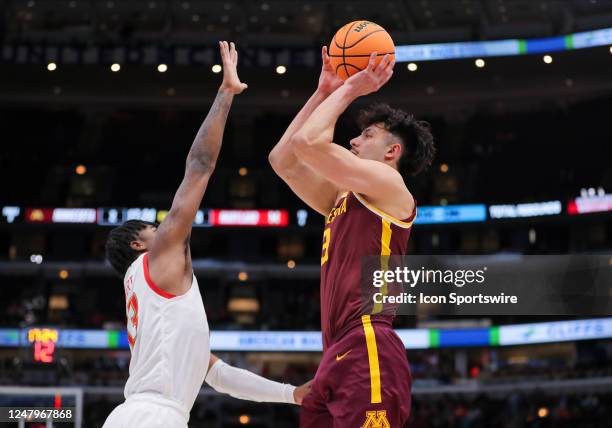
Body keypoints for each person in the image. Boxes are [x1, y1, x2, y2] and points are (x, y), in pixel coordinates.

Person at [103, 41, 309, 428]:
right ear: (137, 244)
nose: (164, 229)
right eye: (154, 227)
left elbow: (218, 375)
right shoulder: (158, 258)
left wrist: (290, 394)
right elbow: (199, 164)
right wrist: (225, 94)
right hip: (153, 417)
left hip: (141, 415)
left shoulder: (153, 302)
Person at [269, 48, 435, 427]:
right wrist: (322, 93)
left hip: (367, 342)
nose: (354, 142)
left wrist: (351, 89)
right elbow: (283, 160)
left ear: (393, 151)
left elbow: (309, 145)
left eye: (367, 135)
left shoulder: (391, 185)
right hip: (336, 351)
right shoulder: (341, 198)